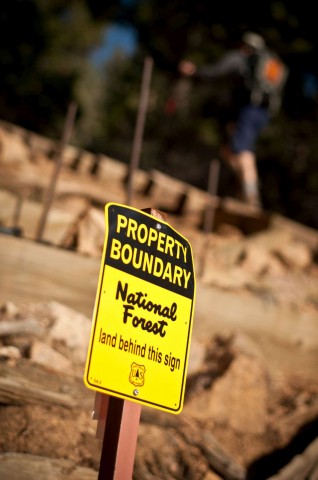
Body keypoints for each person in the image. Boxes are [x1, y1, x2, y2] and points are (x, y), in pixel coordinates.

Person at [179, 32, 287, 208]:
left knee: (243, 151)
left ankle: (252, 198)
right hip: (264, 113)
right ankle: (245, 191)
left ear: (244, 45)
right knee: (230, 150)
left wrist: (195, 71)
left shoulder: (241, 58)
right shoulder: (266, 67)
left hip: (250, 110)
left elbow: (216, 72)